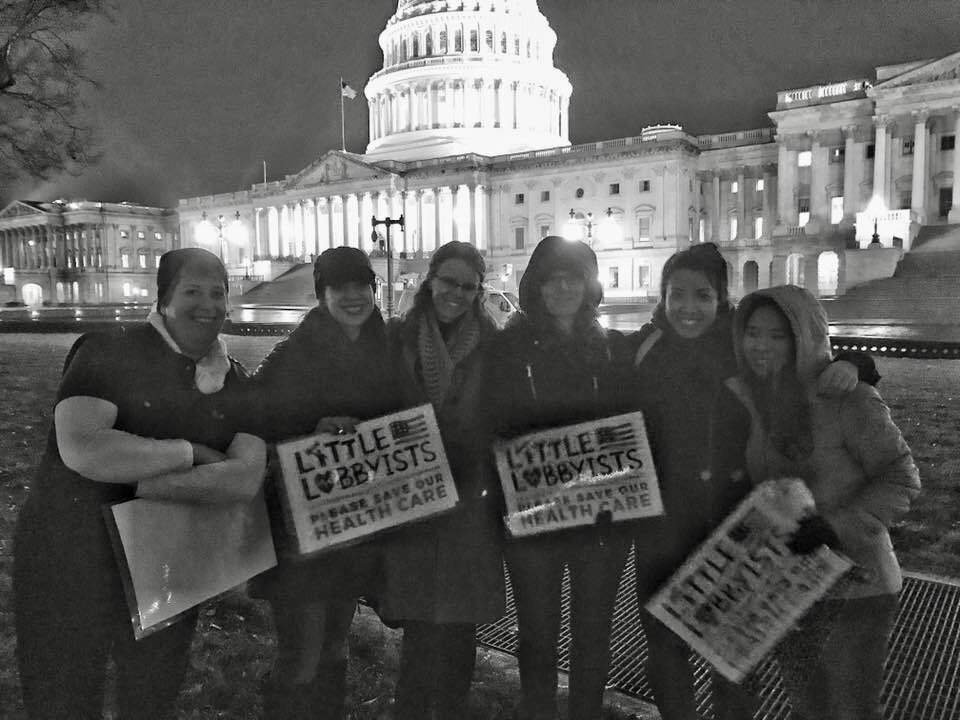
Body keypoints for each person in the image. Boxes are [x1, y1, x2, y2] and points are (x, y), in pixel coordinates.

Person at [12, 248, 267, 720]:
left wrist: (152, 485)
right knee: (61, 694)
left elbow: (244, 478)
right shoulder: (109, 349)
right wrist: (190, 454)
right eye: (192, 291)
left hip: (165, 561)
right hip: (70, 551)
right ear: (164, 299)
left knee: (152, 695)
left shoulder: (236, 381)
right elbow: (85, 447)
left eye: (218, 293)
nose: (207, 304)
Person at [625, 243, 867, 720]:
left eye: (702, 296)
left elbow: (805, 365)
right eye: (677, 295)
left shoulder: (742, 349)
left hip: (734, 519)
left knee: (733, 654)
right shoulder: (642, 348)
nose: (688, 308)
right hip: (662, 522)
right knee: (663, 647)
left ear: (721, 298)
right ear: (663, 295)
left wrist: (855, 364)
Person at [710, 285, 920, 720]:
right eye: (752, 332)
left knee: (850, 711)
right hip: (792, 582)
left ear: (803, 337)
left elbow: (902, 477)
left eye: (776, 335)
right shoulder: (752, 397)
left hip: (857, 583)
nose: (760, 345)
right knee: (809, 707)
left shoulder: (849, 399)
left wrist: (836, 526)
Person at [485, 235, 633, 720]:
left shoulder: (615, 350)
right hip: (534, 514)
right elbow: (488, 422)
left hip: (600, 516)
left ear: (590, 286)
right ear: (537, 286)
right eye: (553, 278)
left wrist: (849, 362)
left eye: (573, 277)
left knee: (593, 631)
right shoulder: (507, 349)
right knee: (537, 631)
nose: (564, 287)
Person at [249, 247, 401, 720]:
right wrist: (310, 432)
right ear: (321, 295)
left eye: (363, 286)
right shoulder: (292, 355)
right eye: (340, 288)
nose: (353, 296)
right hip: (301, 528)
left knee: (335, 643)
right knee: (303, 649)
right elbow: (257, 428)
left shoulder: (390, 348)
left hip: (355, 519)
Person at [378, 240, 505, 720]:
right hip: (414, 496)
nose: (457, 292)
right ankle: (410, 710)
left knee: (460, 625)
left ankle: (449, 709)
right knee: (420, 626)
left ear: (479, 291)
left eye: (468, 286)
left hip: (470, 501)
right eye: (449, 282)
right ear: (429, 280)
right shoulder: (399, 337)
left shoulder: (493, 345)